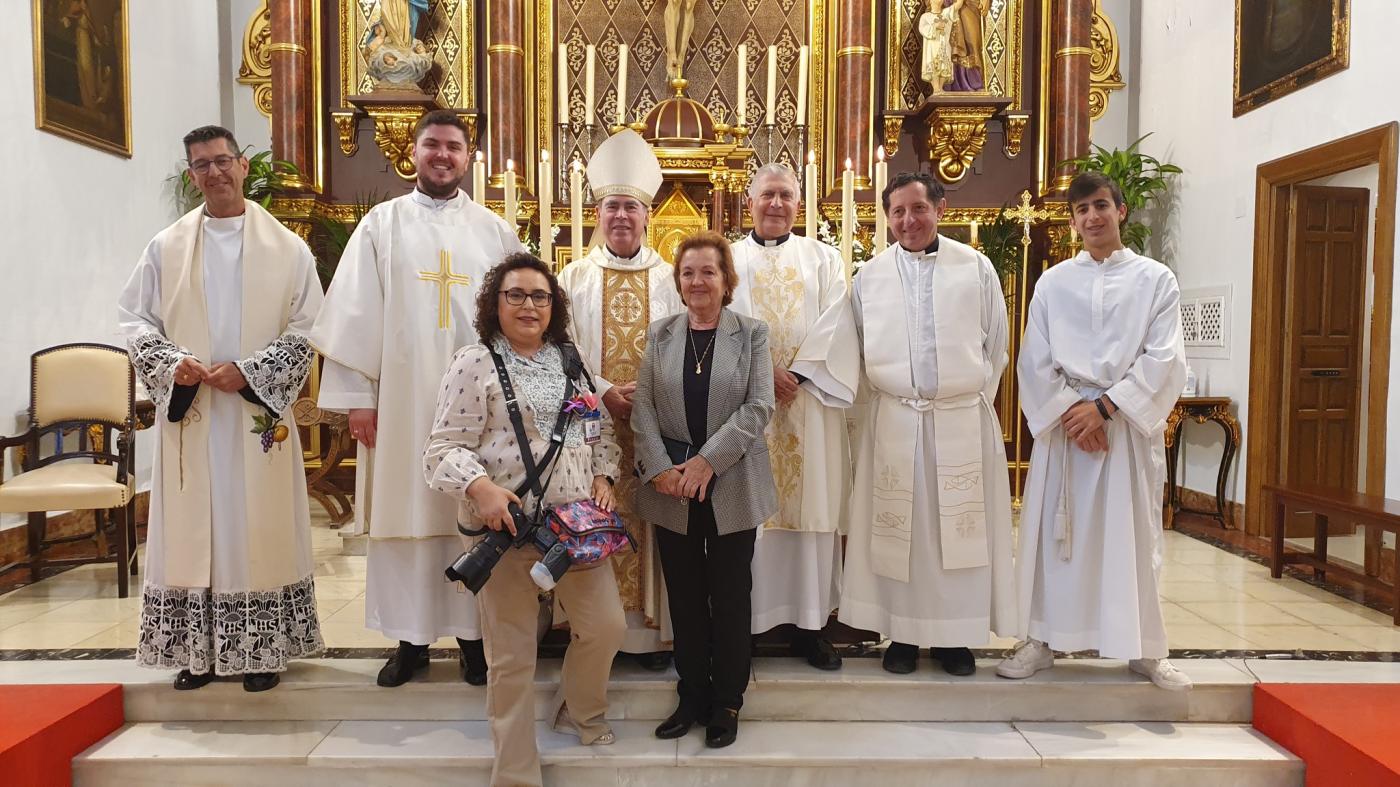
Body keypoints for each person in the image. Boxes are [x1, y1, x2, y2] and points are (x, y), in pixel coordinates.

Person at [310, 110, 525, 688]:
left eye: (453, 146)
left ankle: (475, 642)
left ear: (468, 156)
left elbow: (522, 314)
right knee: (406, 515)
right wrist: (359, 397)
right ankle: (410, 642)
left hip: (481, 409)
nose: (442, 155)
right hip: (402, 403)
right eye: (432, 144)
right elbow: (354, 315)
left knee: (473, 515)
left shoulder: (494, 231)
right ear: (415, 151)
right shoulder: (382, 225)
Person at [119, 125, 324, 692]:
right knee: (195, 530)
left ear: (243, 166)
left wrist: (252, 371)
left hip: (254, 416)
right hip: (195, 415)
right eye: (202, 165)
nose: (214, 172)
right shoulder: (166, 247)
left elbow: (310, 326)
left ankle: (260, 651)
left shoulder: (288, 248)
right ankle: (197, 652)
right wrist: (172, 362)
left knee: (253, 528)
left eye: (222, 161)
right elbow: (133, 319)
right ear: (192, 176)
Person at [424, 254, 626, 787]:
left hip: (573, 530)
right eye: (515, 294)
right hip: (506, 531)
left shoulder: (570, 360)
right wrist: (480, 487)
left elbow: (597, 428)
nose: (528, 305)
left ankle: (579, 709)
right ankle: (515, 773)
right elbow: (441, 449)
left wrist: (603, 475)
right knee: (511, 656)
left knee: (606, 627)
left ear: (553, 306)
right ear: (495, 303)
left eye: (540, 296)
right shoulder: (475, 363)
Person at [997, 172, 1191, 691]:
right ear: (1073, 221)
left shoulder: (1156, 280)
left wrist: (1104, 408)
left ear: (1121, 211)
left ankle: (1145, 648)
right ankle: (1040, 640)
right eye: (1081, 210)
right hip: (1067, 432)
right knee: (1054, 538)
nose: (1092, 217)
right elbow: (1034, 359)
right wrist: (1073, 413)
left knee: (1133, 538)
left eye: (1101, 205)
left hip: (1123, 430)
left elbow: (1164, 357)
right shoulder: (1053, 283)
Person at [837, 171, 1016, 677]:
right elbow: (856, 349)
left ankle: (955, 638)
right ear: (887, 218)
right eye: (897, 212)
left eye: (918, 208)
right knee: (903, 536)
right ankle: (903, 634)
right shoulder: (870, 277)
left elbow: (996, 345)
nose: (908, 220)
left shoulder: (974, 268)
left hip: (959, 421)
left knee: (957, 536)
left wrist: (965, 404)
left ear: (940, 208)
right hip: (894, 423)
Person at [632, 231, 777, 748]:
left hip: (732, 481)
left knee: (731, 596)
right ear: (678, 281)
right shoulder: (661, 334)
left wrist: (706, 462)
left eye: (708, 272)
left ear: (726, 280)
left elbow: (759, 407)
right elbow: (643, 407)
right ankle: (692, 694)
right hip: (672, 487)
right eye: (688, 272)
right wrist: (660, 469)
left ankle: (727, 701)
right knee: (686, 598)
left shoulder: (752, 333)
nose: (697, 281)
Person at [557, 129, 682, 670]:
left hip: (656, 427)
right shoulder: (572, 279)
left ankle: (650, 637)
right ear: (598, 214)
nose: (622, 216)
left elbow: (686, 347)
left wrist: (646, 397)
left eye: (631, 207)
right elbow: (559, 348)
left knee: (655, 523)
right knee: (593, 510)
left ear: (647, 214)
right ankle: (593, 633)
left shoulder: (672, 280)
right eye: (613, 207)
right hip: (591, 427)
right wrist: (605, 392)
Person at [730, 163, 852, 671]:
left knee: (812, 512)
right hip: (747, 409)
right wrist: (764, 374)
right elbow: (720, 323)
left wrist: (798, 374)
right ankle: (748, 626)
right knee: (750, 520)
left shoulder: (823, 259)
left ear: (799, 205)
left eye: (785, 195)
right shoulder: (728, 259)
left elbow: (839, 322)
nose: (776, 204)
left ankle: (811, 627)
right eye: (767, 195)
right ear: (750, 202)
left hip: (809, 403)